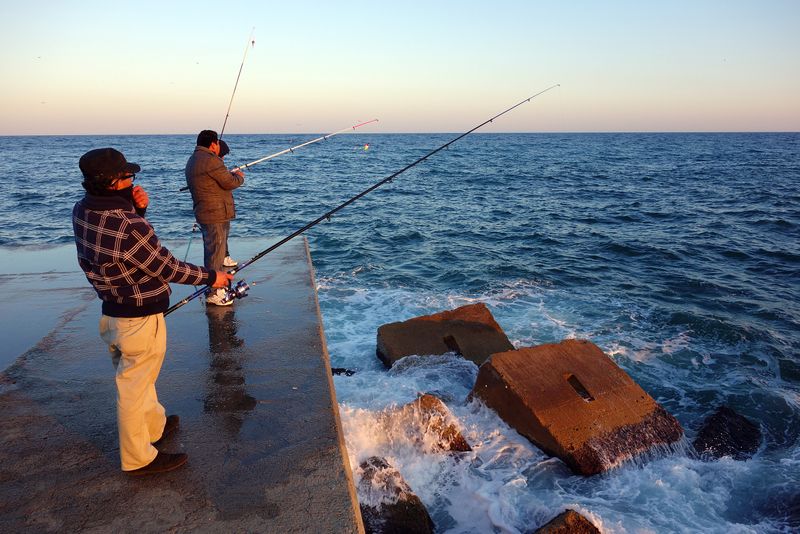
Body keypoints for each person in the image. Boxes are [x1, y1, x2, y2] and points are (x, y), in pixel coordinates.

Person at [72, 147, 233, 475]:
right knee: (133, 385)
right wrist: (212, 276)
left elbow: (122, 251)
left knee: (140, 376)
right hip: (138, 315)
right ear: (114, 182)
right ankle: (138, 458)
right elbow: (165, 266)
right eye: (128, 176)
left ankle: (154, 427)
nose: (133, 179)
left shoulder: (83, 209)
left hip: (114, 310)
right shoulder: (128, 224)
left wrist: (136, 208)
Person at [185, 130, 245, 306]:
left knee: (214, 251)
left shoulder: (194, 159)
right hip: (214, 213)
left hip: (207, 211)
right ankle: (214, 292)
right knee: (215, 253)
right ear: (213, 144)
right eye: (217, 143)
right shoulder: (211, 160)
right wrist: (239, 176)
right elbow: (229, 182)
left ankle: (216, 287)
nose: (219, 146)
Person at [217, 139, 238, 269]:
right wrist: (238, 176)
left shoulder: (215, 165)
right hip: (219, 210)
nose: (224, 157)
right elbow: (229, 183)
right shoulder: (216, 165)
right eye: (223, 155)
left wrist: (228, 174)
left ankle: (225, 256)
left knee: (222, 236)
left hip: (220, 209)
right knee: (220, 237)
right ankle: (220, 264)